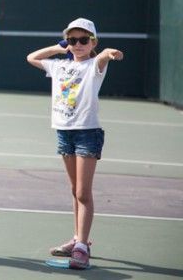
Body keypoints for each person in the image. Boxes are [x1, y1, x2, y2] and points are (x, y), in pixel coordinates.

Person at [26, 18, 124, 269]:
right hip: (64, 132)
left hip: (87, 133)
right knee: (74, 190)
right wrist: (60, 48)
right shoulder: (59, 66)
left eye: (83, 40)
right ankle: (78, 239)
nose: (78, 44)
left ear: (92, 41)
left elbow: (103, 57)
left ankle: (81, 247)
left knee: (83, 192)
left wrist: (107, 53)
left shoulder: (94, 65)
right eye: (73, 40)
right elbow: (31, 57)